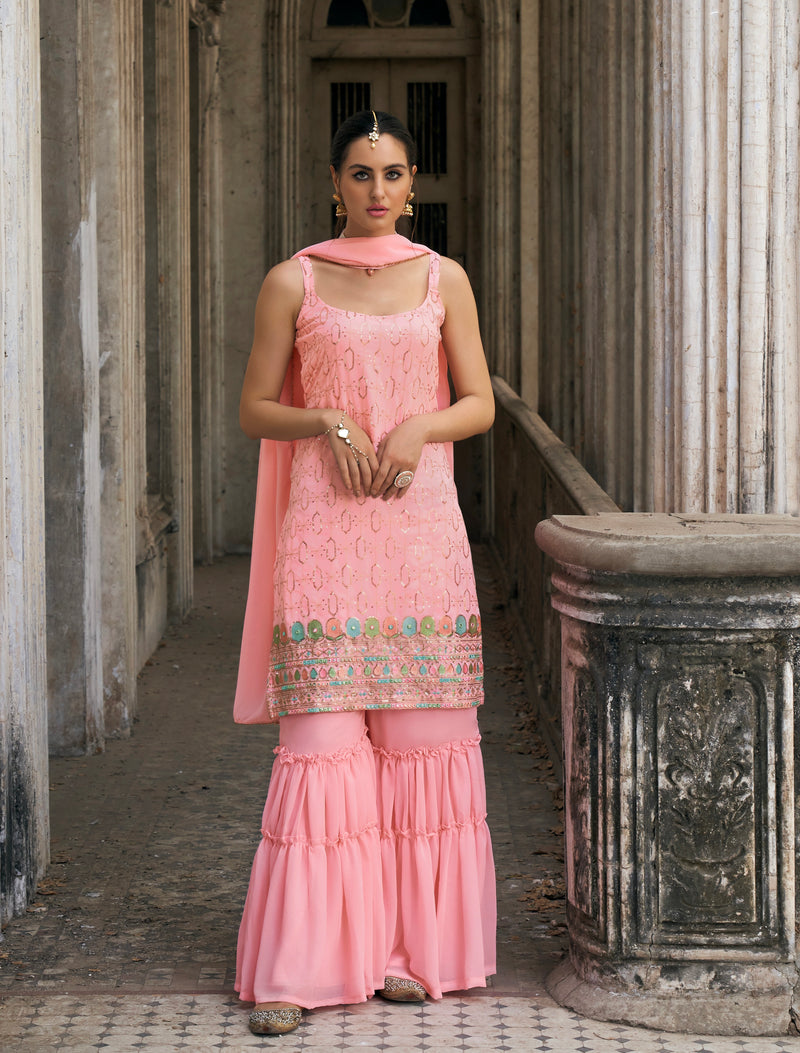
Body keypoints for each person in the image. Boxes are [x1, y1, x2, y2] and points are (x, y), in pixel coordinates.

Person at [233, 109, 496, 1036]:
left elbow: (478, 400)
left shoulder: (443, 278)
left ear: (413, 182)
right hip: (326, 539)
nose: (376, 190)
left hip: (420, 536)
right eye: (359, 173)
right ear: (333, 182)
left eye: (391, 173)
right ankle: (300, 967)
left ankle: (407, 956)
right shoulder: (292, 280)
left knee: (424, 743)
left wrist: (420, 427)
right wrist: (327, 422)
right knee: (320, 751)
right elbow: (257, 406)